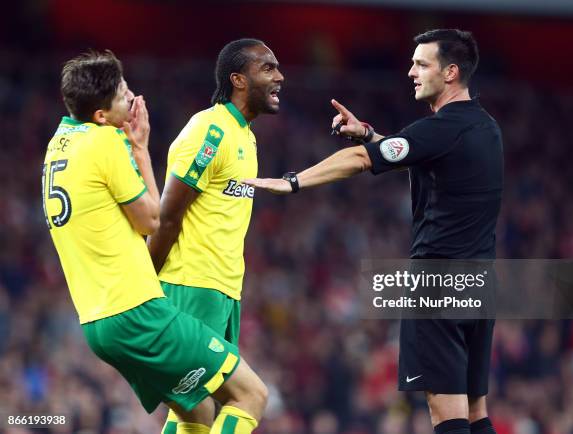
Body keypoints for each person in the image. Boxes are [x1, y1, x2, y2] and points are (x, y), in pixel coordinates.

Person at [244, 29, 503, 434]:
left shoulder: (440, 127)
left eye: (422, 64)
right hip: (478, 281)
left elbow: (359, 160)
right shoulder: (485, 127)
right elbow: (411, 154)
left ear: (451, 72)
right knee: (475, 412)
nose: (411, 71)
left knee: (447, 416)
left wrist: (291, 182)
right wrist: (370, 135)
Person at [43, 50, 267, 434]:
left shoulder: (57, 147)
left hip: (97, 322)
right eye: (122, 94)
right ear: (100, 115)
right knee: (251, 395)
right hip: (136, 311)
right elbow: (153, 219)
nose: (131, 98)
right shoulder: (105, 142)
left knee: (194, 411)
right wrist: (140, 149)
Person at [146, 39, 284, 434]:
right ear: (239, 80)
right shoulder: (209, 129)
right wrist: (143, 282)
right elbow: (168, 216)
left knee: (197, 406)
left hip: (224, 289)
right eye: (268, 68)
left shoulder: (246, 136)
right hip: (192, 283)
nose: (280, 76)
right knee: (236, 398)